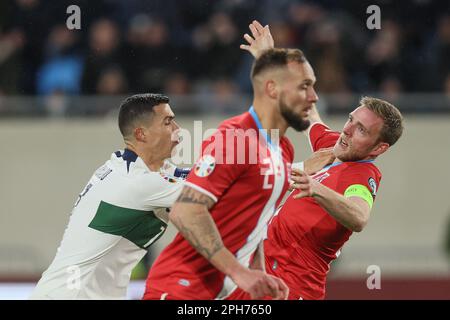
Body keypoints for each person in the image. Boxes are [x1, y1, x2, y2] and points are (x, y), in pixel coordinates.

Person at [227, 21, 404, 300]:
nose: (347, 130)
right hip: (261, 275)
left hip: (291, 287)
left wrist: (315, 187)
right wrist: (267, 56)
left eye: (361, 130)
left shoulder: (362, 175)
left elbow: (359, 217)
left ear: (379, 148)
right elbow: (304, 107)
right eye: (350, 120)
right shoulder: (333, 149)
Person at [143, 46, 322, 300]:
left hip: (218, 293)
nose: (313, 97)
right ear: (272, 89)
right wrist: (240, 273)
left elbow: (256, 220)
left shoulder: (284, 149)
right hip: (179, 288)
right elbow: (186, 211)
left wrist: (258, 270)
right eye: (304, 86)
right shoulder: (236, 138)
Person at [30, 93, 188, 299]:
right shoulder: (138, 182)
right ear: (141, 134)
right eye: (168, 122)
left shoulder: (130, 167)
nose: (177, 130)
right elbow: (209, 186)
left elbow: (190, 175)